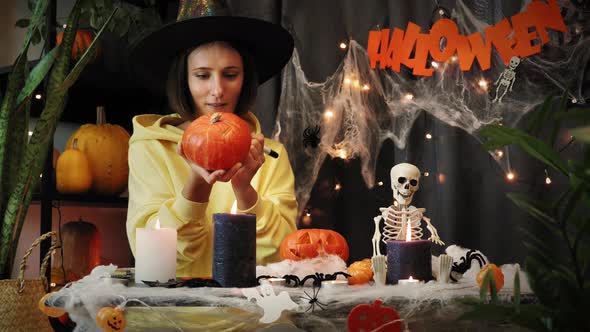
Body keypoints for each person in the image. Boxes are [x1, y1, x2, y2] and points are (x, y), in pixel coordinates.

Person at [126, 0, 297, 278]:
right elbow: (154, 263)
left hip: (248, 315)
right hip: (174, 316)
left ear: (244, 79)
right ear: (184, 80)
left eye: (230, 75)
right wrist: (196, 185)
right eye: (203, 76)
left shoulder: (270, 155)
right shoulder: (150, 148)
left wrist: (245, 191)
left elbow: (280, 257)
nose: (217, 90)